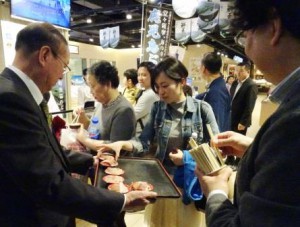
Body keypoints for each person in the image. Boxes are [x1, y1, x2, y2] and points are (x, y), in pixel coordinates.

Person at [0, 22, 156, 226]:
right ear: (45, 55)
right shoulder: (11, 99)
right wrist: (122, 200)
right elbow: (49, 182)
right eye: (64, 66)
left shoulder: (16, 92)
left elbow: (44, 151)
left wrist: (89, 162)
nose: (61, 75)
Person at [195, 1, 300, 226]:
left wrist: (216, 194)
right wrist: (257, 150)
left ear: (274, 27)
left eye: (246, 34)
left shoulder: (293, 123)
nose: (246, 48)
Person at [98, 57, 219, 227]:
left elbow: (216, 150)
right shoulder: (158, 108)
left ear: (182, 81)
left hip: (188, 183)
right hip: (163, 182)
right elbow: (143, 142)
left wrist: (186, 157)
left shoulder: (202, 109)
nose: (161, 92)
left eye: (165, 85)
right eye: (157, 87)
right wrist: (122, 144)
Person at [75, 61, 136, 150]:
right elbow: (96, 130)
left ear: (107, 84)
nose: (90, 92)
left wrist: (84, 140)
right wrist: (83, 118)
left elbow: (114, 147)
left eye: (92, 86)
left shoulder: (124, 110)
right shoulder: (102, 103)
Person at [196, 52, 231, 132]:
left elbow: (216, 124)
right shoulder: (217, 85)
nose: (199, 68)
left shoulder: (216, 92)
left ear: (204, 68)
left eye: (200, 66)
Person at [230, 62, 258, 135]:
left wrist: (243, 122)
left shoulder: (251, 85)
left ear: (248, 72)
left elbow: (249, 106)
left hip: (240, 120)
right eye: (236, 70)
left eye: (241, 71)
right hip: (231, 116)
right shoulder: (235, 83)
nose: (238, 73)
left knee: (237, 140)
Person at [134, 61, 159, 136]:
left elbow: (133, 115)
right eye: (139, 75)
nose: (140, 78)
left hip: (141, 135)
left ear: (153, 76)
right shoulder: (148, 91)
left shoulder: (150, 94)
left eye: (144, 75)